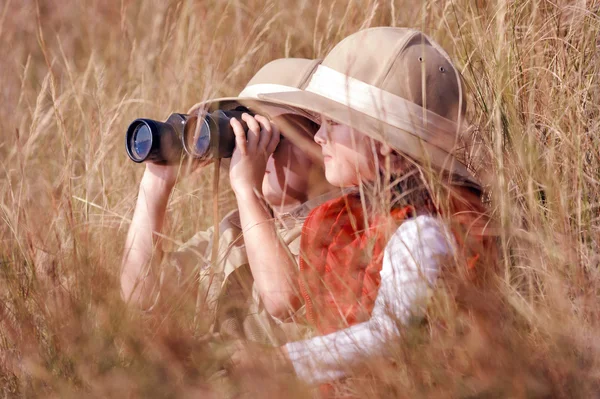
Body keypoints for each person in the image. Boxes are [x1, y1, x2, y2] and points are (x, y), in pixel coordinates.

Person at [229, 27, 497, 385]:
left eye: (334, 122)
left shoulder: (424, 228)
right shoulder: (362, 220)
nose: (319, 135)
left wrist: (281, 362)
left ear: (385, 141)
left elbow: (391, 334)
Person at [120, 58, 339, 345]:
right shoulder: (233, 230)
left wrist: (248, 192)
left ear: (321, 141)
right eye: (250, 135)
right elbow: (139, 295)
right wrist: (155, 184)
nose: (258, 148)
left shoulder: (342, 222)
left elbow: (283, 299)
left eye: (274, 136)